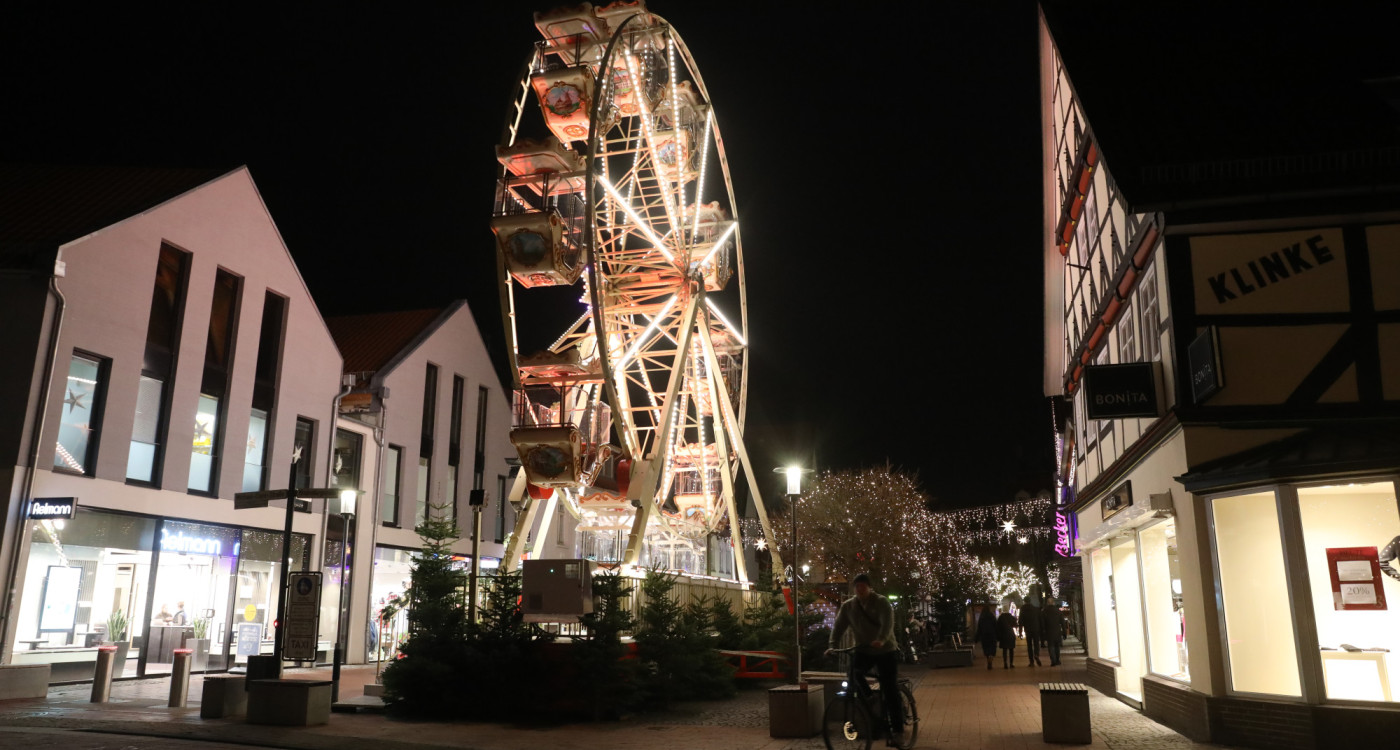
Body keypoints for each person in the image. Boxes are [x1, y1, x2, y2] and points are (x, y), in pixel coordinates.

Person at [826, 573, 905, 745]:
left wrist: (882, 639)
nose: (860, 590)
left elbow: (887, 623)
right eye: (857, 587)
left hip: (885, 650)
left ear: (870, 587)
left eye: (863, 586)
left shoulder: (881, 602)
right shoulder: (849, 606)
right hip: (863, 649)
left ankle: (898, 730)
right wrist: (832, 645)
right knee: (854, 672)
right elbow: (839, 626)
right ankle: (870, 697)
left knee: (890, 689)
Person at [1021, 584, 1043, 667]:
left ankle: (1031, 661)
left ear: (1024, 601)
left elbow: (1021, 620)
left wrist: (1020, 631)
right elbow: (1040, 619)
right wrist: (1041, 629)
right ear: (1030, 601)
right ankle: (1036, 654)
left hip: (1028, 629)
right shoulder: (1035, 609)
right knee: (1036, 643)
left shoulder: (1023, 608)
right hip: (1036, 628)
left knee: (1029, 645)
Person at [976, 602, 998, 670]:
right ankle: (991, 656)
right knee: (992, 647)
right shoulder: (992, 616)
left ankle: (988, 658)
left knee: (986, 648)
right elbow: (996, 626)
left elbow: (979, 628)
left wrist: (977, 637)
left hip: (984, 635)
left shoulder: (982, 617)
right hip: (992, 635)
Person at [996, 604, 1018, 669]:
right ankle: (1011, 663)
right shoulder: (1011, 617)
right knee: (1011, 650)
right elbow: (1015, 624)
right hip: (1011, 634)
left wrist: (998, 636)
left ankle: (1005, 663)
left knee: (1004, 650)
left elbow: (997, 627)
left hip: (1003, 635)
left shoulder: (1001, 617)